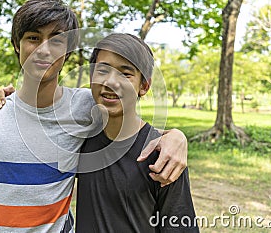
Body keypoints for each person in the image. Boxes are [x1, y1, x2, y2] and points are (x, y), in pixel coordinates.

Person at [0, 0, 187, 232]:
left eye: (56, 40)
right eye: (33, 38)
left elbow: (132, 128)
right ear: (17, 43)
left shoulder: (86, 105)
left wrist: (176, 136)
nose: (44, 50)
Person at [75, 33, 198, 232]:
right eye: (102, 70)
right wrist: (7, 98)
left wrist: (177, 135)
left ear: (144, 86)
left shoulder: (162, 155)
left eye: (125, 73)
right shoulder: (80, 138)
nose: (111, 82)